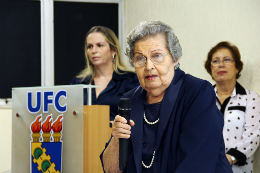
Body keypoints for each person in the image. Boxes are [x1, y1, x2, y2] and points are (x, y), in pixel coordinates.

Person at [100, 20, 233, 173]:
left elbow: (196, 163)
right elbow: (110, 170)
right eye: (140, 58)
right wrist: (117, 138)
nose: (148, 66)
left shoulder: (197, 92)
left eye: (157, 56)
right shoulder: (130, 100)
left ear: (175, 59)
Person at [204, 41, 260, 173]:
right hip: (205, 167)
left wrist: (227, 159)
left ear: (237, 67)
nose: (221, 64)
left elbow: (253, 136)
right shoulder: (202, 99)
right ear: (210, 69)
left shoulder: (251, 99)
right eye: (216, 61)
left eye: (227, 59)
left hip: (237, 169)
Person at [70, 26, 139, 121]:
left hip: (117, 135)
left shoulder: (130, 80)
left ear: (113, 50)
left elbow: (136, 117)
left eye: (100, 45)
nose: (94, 51)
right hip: (82, 135)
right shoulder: (78, 83)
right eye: (90, 46)